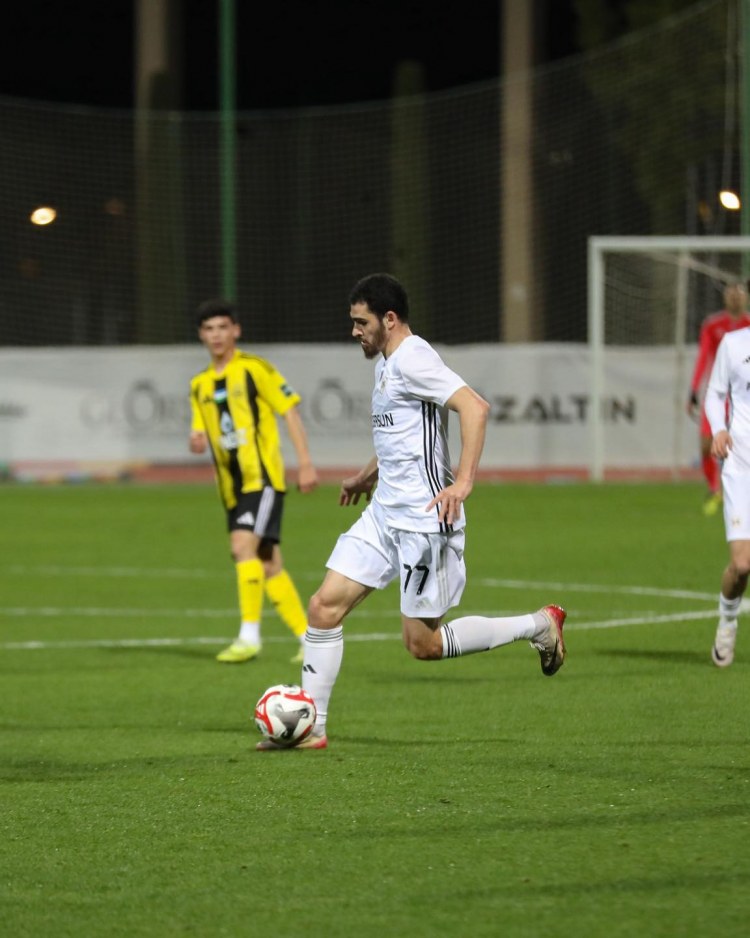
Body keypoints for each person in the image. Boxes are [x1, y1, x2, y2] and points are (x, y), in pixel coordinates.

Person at [257, 273, 566, 751]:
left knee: (423, 645)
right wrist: (367, 475)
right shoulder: (386, 362)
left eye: (361, 322)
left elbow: (475, 408)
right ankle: (311, 728)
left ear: (389, 319)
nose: (354, 331)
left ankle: (539, 625)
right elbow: (402, 436)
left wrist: (463, 483)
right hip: (385, 513)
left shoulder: (414, 359)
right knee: (322, 608)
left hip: (425, 521)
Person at [189, 298, 319, 664]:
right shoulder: (199, 385)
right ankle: (310, 640)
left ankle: (249, 637)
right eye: (209, 329)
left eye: (222, 327)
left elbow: (289, 412)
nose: (216, 335)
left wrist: (305, 463)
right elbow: (199, 431)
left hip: (260, 480)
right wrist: (196, 439)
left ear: (236, 330)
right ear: (201, 335)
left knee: (241, 547)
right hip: (231, 490)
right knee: (268, 562)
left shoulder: (254, 369)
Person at [704, 322, 750, 667]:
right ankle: (728, 620)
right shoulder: (734, 344)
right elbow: (715, 393)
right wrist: (719, 430)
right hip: (741, 466)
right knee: (742, 564)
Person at [687, 282, 750, 516]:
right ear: (725, 297)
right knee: (706, 446)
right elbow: (703, 357)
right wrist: (694, 390)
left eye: (739, 293)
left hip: (742, 397)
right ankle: (715, 490)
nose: (735, 298)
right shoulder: (713, 325)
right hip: (718, 393)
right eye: (731, 293)